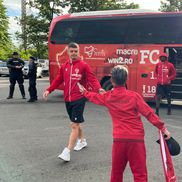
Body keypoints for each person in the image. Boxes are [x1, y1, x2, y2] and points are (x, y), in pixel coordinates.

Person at [77, 65, 170, 182]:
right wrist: (162, 128)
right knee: (140, 174)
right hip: (136, 140)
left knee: (116, 173)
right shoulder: (134, 96)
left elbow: (94, 97)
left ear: (112, 80)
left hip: (119, 140)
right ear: (126, 80)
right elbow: (149, 113)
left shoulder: (108, 97)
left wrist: (84, 92)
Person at [43, 42, 104, 161]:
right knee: (75, 122)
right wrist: (48, 90)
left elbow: (92, 79)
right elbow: (57, 80)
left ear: (78, 51)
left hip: (79, 98)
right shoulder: (65, 66)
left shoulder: (83, 65)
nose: (74, 53)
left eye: (75, 51)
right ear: (68, 52)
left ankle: (67, 151)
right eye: (71, 51)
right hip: (68, 99)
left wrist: (99, 89)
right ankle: (82, 141)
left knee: (74, 125)